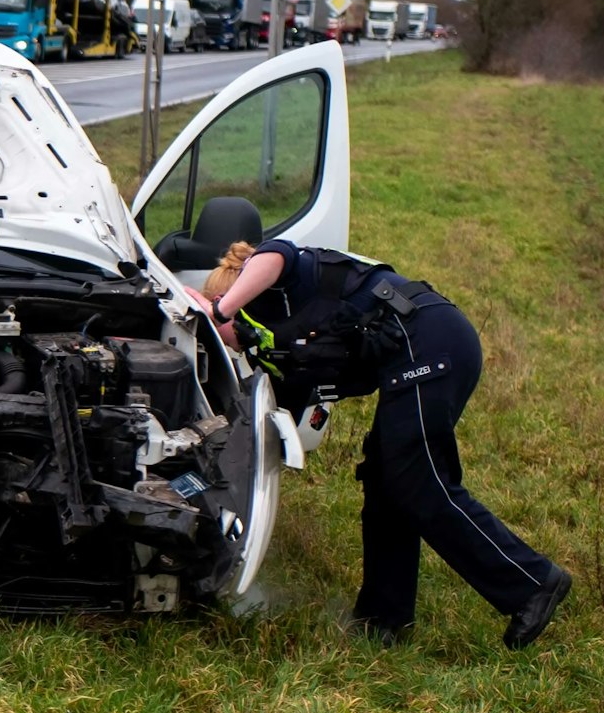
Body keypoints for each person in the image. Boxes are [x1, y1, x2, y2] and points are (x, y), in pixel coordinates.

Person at [200, 240, 571, 649]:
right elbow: (272, 422)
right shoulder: (278, 344)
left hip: (431, 343)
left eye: (222, 329)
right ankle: (383, 620)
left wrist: (217, 311)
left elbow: (272, 257)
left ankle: (533, 583)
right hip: (415, 358)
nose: (225, 344)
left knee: (417, 478)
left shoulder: (278, 273)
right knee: (384, 479)